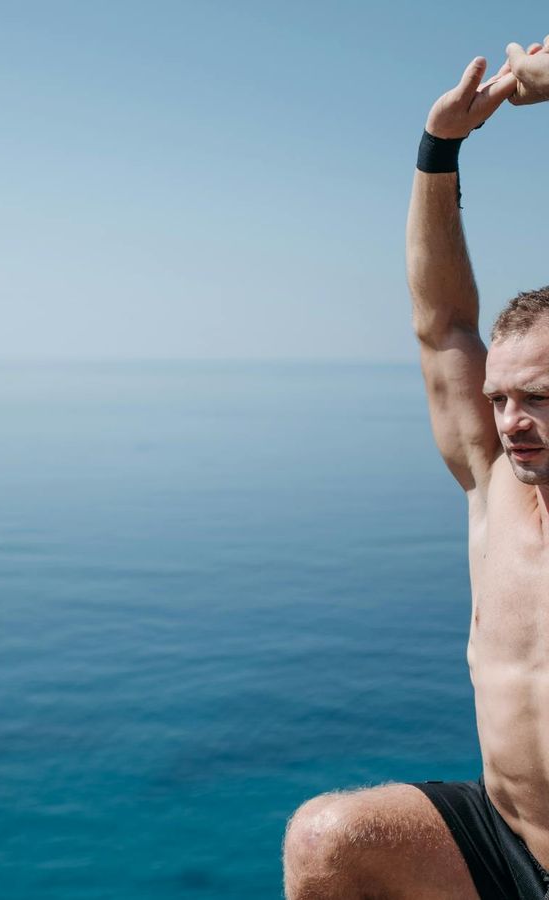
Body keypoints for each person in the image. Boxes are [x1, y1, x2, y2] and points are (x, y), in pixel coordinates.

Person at [282, 38, 549, 900]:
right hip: (509, 839)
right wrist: (439, 148)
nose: (511, 422)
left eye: (538, 398)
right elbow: (442, 325)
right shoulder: (494, 483)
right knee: (328, 840)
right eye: (501, 397)